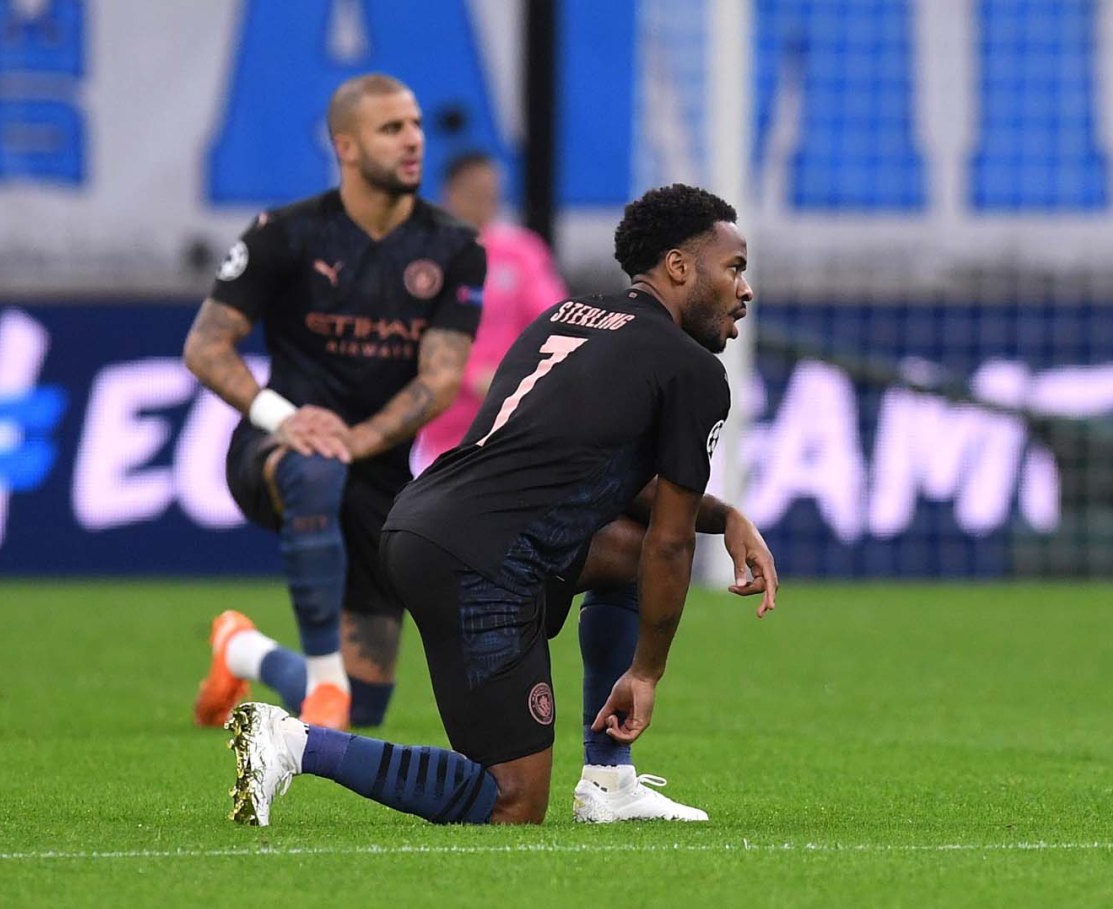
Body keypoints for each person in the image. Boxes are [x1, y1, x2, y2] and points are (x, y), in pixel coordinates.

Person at [225, 183, 780, 826]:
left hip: (424, 521)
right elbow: (672, 540)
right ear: (679, 267)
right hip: (483, 558)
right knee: (513, 801)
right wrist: (646, 673)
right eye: (734, 268)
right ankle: (294, 743)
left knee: (625, 554)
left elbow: (606, 479)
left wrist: (727, 517)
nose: (745, 290)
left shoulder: (565, 316)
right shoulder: (691, 370)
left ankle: (608, 780)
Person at [184, 73, 484, 732]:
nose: (413, 140)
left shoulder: (455, 248)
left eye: (415, 125)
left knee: (366, 706)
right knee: (315, 468)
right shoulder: (284, 233)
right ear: (346, 147)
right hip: (278, 450)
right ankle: (322, 683)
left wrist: (360, 439)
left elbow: (440, 377)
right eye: (391, 129)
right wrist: (283, 418)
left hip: (377, 466)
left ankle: (240, 649)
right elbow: (205, 347)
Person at [414, 152, 568, 468]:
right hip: (442, 424)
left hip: (513, 416)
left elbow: (554, 320)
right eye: (473, 191)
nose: (484, 199)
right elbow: (414, 331)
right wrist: (471, 375)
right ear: (450, 193)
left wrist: (517, 376)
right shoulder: (425, 257)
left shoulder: (521, 251)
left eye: (490, 191)